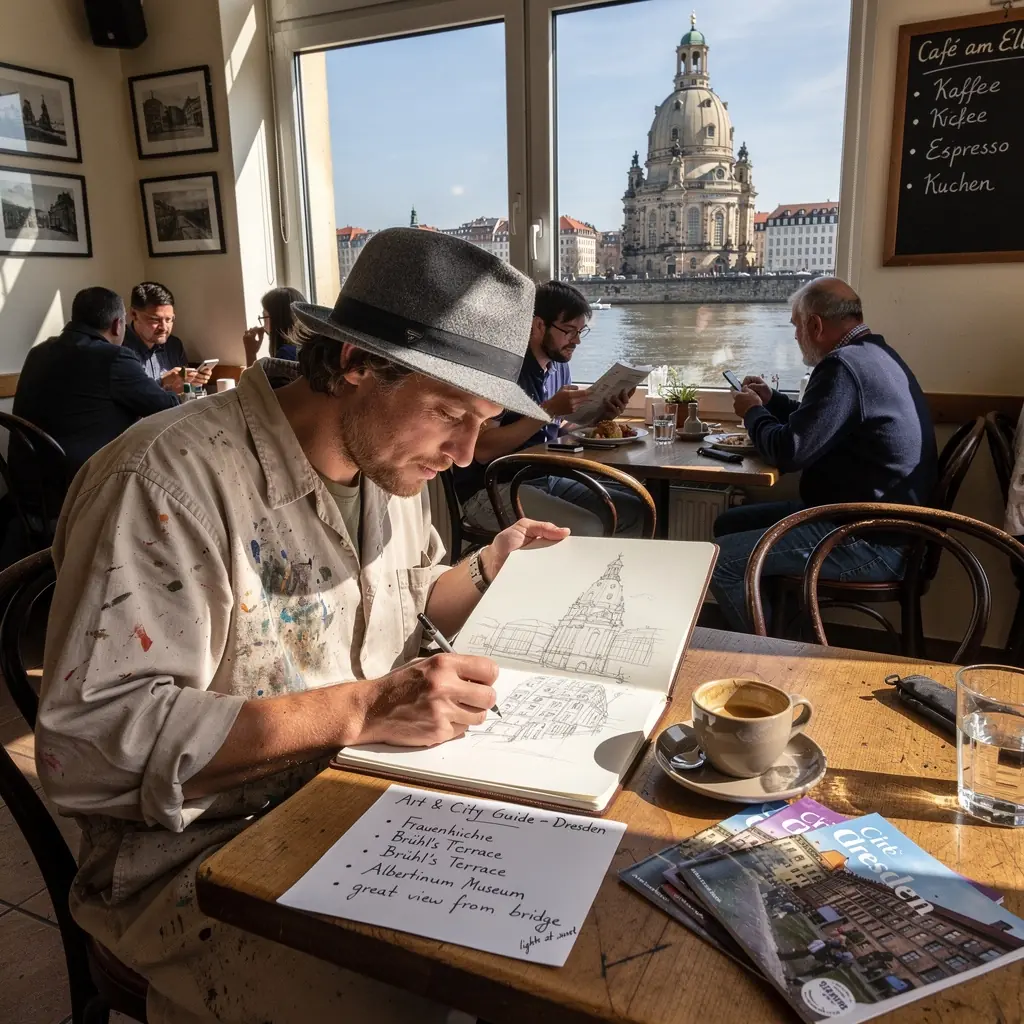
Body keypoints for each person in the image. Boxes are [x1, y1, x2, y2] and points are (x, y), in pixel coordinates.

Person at [36, 228, 569, 1024]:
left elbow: (405, 604)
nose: (464, 453)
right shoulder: (164, 483)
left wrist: (490, 567)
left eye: (482, 420)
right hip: (190, 860)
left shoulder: (391, 466)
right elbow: (87, 748)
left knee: (545, 933)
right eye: (449, 413)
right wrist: (365, 707)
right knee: (432, 998)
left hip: (358, 804)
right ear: (354, 364)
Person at [709, 277, 937, 632]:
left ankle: (768, 653)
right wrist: (773, 402)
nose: (795, 336)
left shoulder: (842, 366)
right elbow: (819, 423)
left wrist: (752, 412)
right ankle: (784, 632)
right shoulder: (875, 354)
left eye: (796, 326)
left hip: (870, 542)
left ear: (815, 325)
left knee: (721, 562)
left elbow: (789, 452)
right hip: (887, 531)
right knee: (729, 524)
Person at [453, 280, 643, 536]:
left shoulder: (559, 366)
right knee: (589, 527)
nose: (576, 341)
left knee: (634, 512)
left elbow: (557, 431)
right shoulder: (504, 371)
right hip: (491, 489)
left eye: (580, 331)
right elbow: (483, 449)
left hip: (542, 479)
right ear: (538, 325)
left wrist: (600, 418)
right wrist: (548, 410)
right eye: (569, 331)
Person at [10, 286, 179, 521]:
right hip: (78, 493)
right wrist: (172, 388)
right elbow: (167, 409)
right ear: (118, 324)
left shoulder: (38, 352)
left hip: (26, 488)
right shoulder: (114, 358)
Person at [123, 281, 215, 394]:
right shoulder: (120, 349)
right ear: (134, 314)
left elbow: (183, 392)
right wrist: (161, 382)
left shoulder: (174, 346)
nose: (164, 328)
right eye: (155, 320)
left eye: (169, 320)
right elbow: (127, 397)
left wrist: (193, 383)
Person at [242, 286, 305, 364]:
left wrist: (250, 353)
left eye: (264, 316)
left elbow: (252, 374)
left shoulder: (285, 354)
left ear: (276, 319)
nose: (263, 326)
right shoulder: (305, 348)